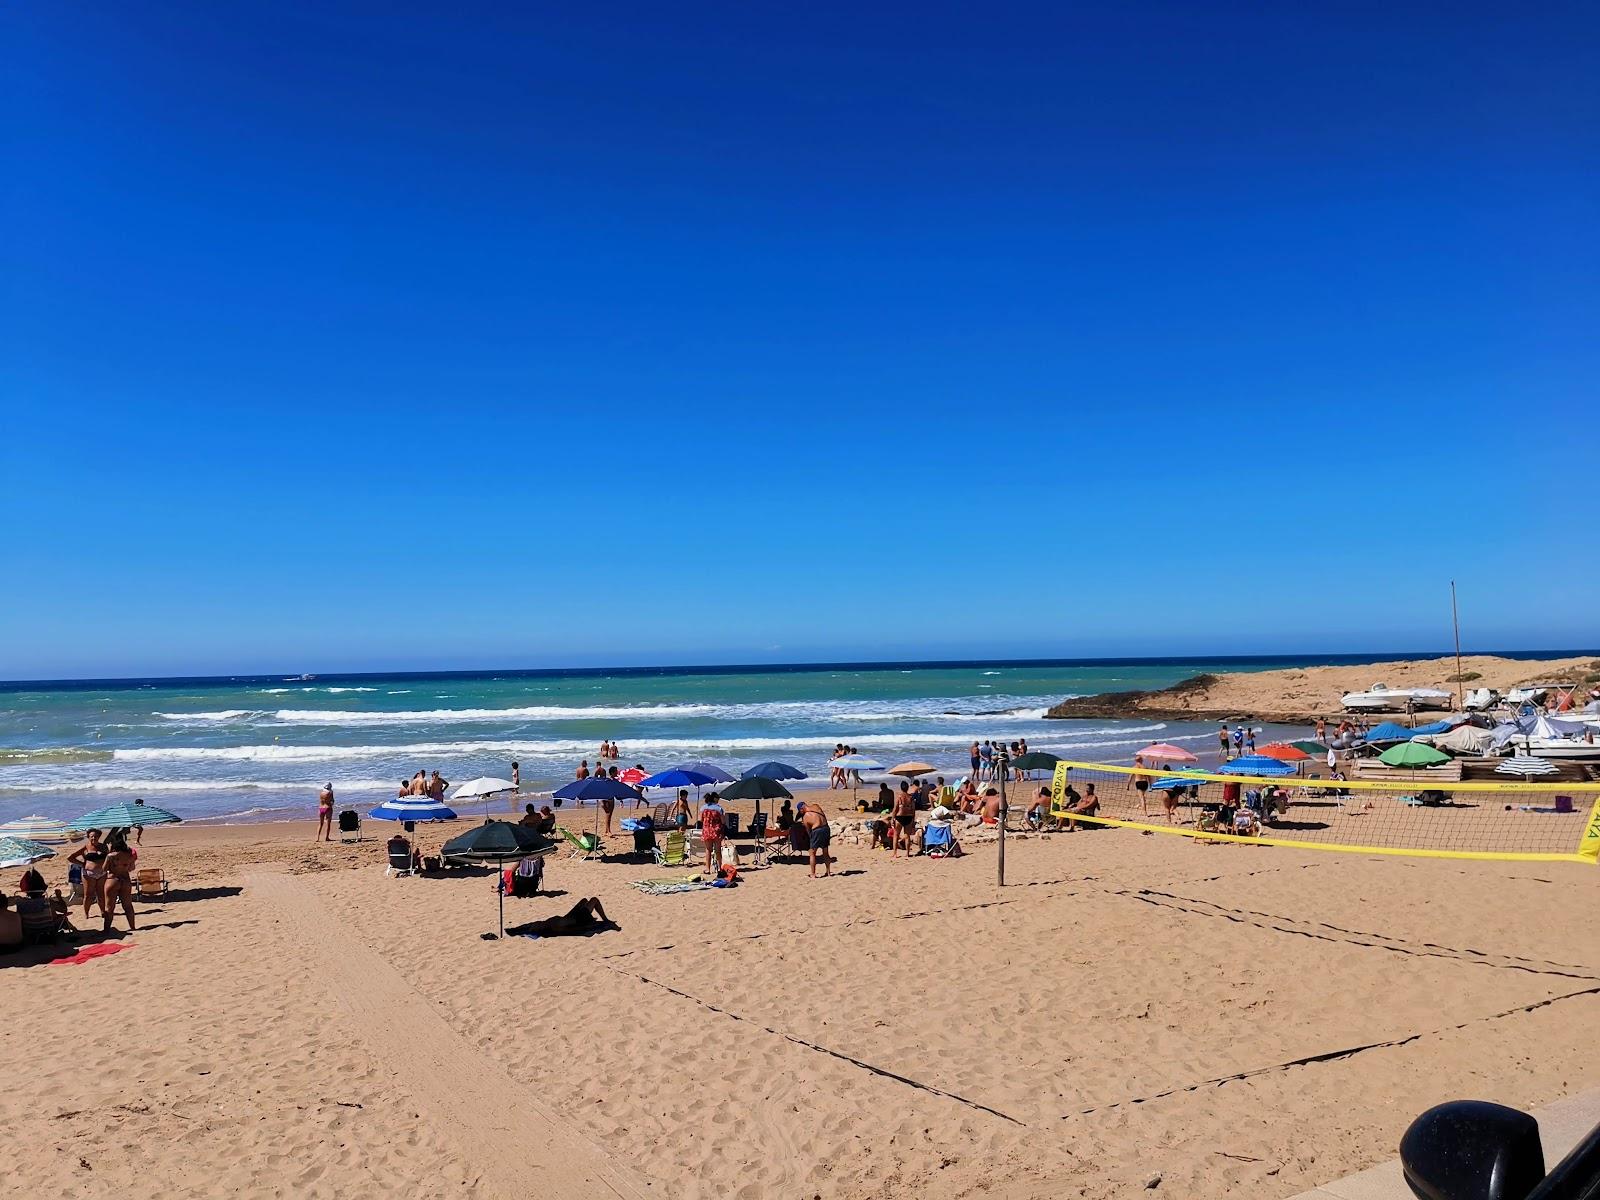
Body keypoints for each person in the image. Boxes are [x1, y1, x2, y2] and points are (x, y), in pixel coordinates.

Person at [508, 897, 616, 938]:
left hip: (571, 918)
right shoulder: (554, 926)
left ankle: (602, 919)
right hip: (576, 921)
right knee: (594, 900)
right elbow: (574, 929)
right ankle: (606, 920)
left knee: (584, 900)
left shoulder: (548, 925)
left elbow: (535, 926)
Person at [101, 830, 137, 932]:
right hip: (125, 879)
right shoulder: (130, 854)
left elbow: (104, 869)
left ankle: (106, 930)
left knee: (109, 907)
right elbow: (131, 868)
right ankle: (132, 927)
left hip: (113, 879)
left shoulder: (111, 856)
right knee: (128, 906)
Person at [68, 828, 107, 919]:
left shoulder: (104, 846)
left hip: (102, 873)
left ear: (99, 837)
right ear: (88, 837)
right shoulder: (86, 847)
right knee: (88, 895)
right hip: (89, 874)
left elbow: (108, 858)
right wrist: (82, 864)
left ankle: (102, 911)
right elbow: (70, 857)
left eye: (96, 836)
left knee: (100, 894)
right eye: (91, 836)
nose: (94, 838)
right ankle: (86, 913)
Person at [799, 800, 831, 878]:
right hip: (826, 828)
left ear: (801, 809)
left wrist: (810, 839)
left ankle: (813, 874)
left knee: (812, 853)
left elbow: (808, 830)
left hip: (817, 831)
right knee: (825, 852)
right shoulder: (816, 806)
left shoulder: (806, 816)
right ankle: (828, 872)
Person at [700, 792, 725, 872]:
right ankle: (720, 868)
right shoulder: (719, 808)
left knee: (708, 850)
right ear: (715, 799)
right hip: (716, 831)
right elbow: (723, 821)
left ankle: (707, 869)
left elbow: (701, 819)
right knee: (718, 850)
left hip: (706, 831)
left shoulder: (703, 808)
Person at [891, 780, 917, 859]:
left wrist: (892, 818)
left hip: (900, 817)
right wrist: (913, 819)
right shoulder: (910, 797)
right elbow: (913, 809)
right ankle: (907, 854)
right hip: (909, 817)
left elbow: (895, 808)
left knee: (896, 835)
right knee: (907, 836)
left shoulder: (899, 797)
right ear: (907, 788)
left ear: (901, 788)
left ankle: (895, 854)